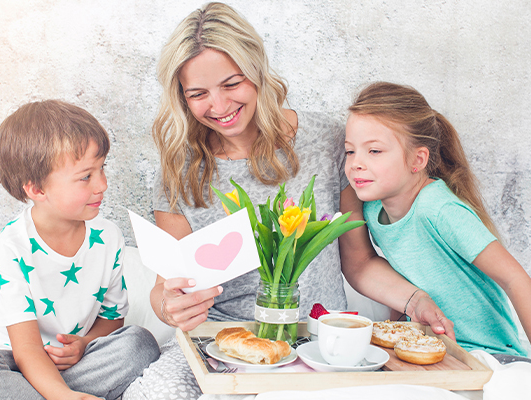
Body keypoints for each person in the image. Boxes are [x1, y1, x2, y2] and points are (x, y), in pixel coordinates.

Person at [124, 4, 454, 399]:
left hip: (317, 340)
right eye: (198, 94)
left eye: (232, 84)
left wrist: (415, 300)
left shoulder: (328, 140)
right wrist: (170, 306)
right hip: (222, 341)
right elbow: (166, 287)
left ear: (257, 70)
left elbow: (360, 262)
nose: (219, 106)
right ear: (182, 98)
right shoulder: (180, 169)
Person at [0, 100, 161, 400]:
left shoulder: (108, 236)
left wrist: (85, 343)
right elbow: (26, 349)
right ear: (37, 190)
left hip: (72, 363)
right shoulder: (11, 247)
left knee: (139, 342)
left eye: (102, 169)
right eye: (86, 176)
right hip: (9, 362)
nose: (102, 184)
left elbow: (112, 321)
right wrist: (64, 395)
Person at [343, 81, 531, 383]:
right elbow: (406, 271)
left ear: (418, 160)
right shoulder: (373, 209)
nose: (356, 164)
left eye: (374, 150)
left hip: (487, 353)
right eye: (350, 151)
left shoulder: (438, 208)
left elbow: (514, 278)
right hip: (435, 350)